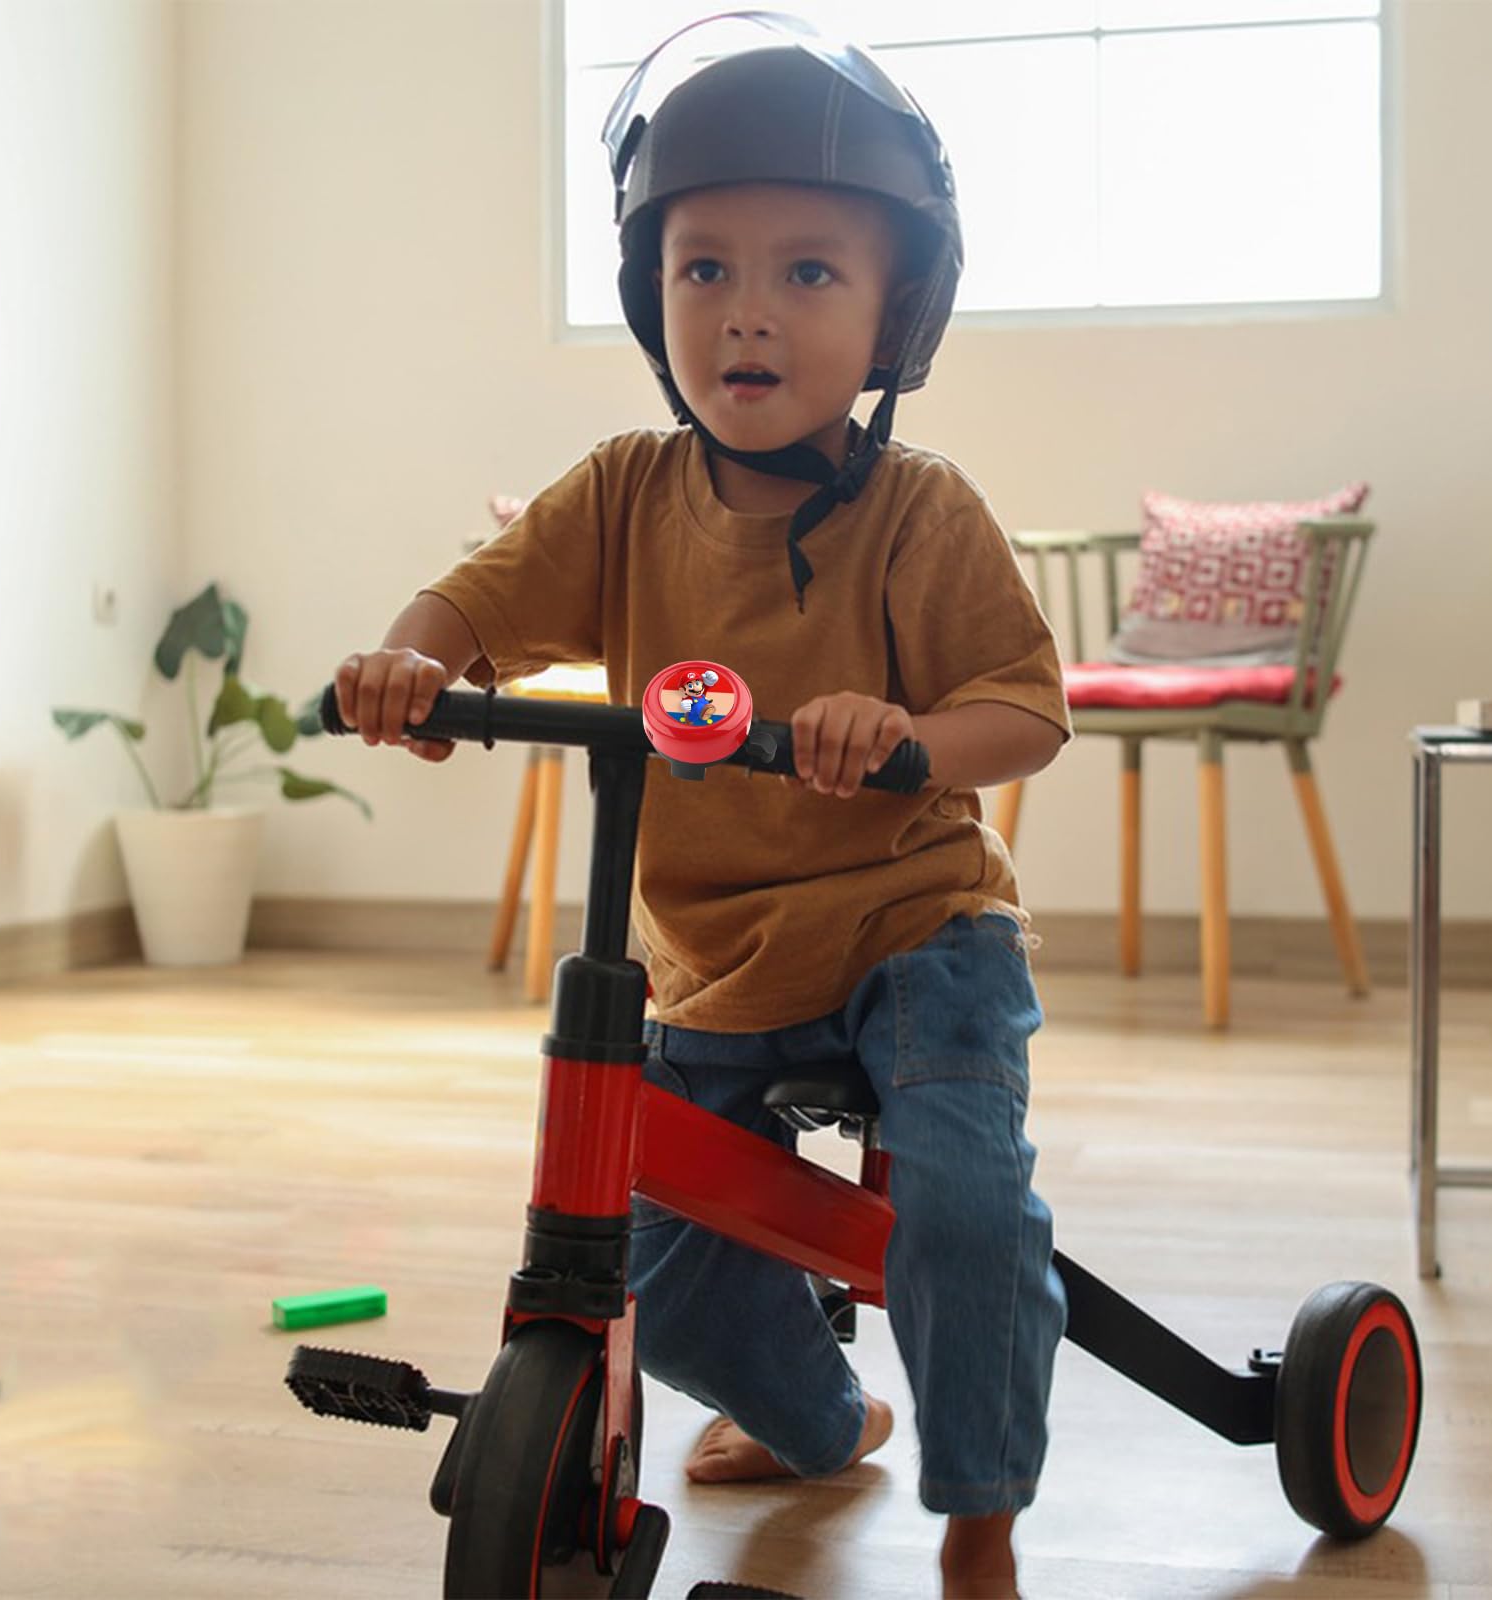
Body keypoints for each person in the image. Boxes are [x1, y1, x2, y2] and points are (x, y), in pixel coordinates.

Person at [334, 16, 1070, 1598]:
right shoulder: (619, 491)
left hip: (911, 929)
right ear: (653, 296)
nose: (748, 313)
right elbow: (473, 603)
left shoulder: (921, 511)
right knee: (650, 1254)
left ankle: (983, 1516)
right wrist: (408, 666)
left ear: (894, 314)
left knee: (960, 1198)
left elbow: (1026, 714)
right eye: (705, 269)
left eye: (810, 273)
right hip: (708, 960)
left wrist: (907, 741)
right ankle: (824, 1415)